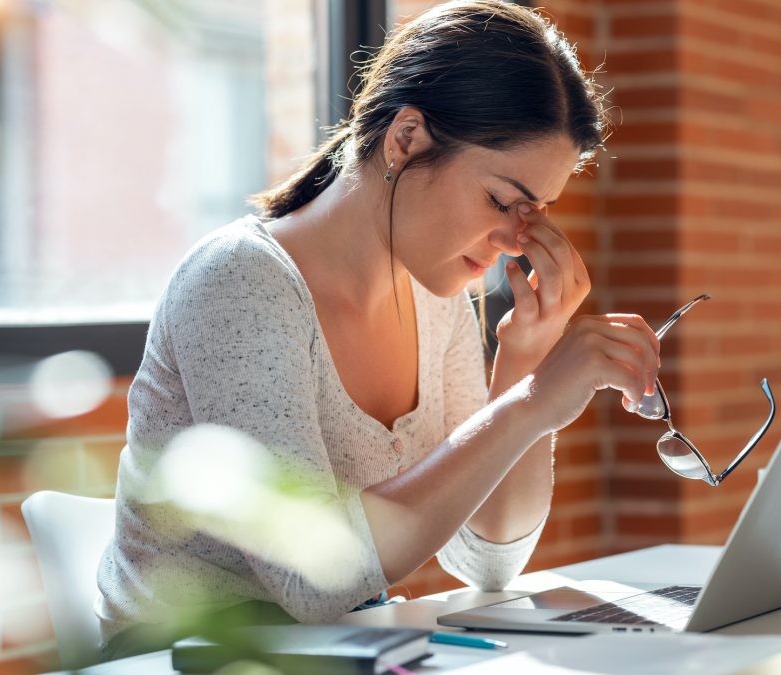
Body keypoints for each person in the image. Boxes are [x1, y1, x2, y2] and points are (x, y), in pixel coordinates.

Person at [96, 0, 661, 660]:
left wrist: (526, 360)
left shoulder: (437, 293)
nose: (518, 240)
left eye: (535, 211)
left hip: (336, 651)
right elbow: (313, 576)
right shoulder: (240, 282)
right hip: (183, 658)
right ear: (406, 139)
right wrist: (533, 403)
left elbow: (487, 558)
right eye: (502, 201)